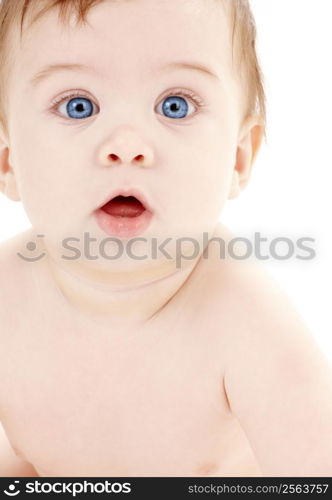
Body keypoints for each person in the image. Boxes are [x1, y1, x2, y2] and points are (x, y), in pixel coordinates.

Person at [0, 0, 331, 477]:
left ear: (238, 159)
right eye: (79, 106)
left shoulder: (244, 317)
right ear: (7, 160)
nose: (128, 145)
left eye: (174, 106)